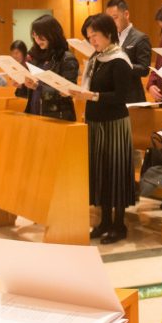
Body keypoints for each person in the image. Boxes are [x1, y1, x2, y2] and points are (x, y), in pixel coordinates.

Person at [69, 14, 135, 244]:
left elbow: (121, 96)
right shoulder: (96, 58)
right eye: (89, 37)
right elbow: (87, 88)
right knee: (101, 173)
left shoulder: (119, 59)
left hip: (115, 124)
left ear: (108, 33)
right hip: (96, 123)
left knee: (115, 174)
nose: (92, 41)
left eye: (94, 36)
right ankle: (104, 221)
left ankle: (119, 225)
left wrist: (93, 96)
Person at [19, 14, 78, 121]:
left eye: (41, 36)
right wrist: (22, 85)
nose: (37, 40)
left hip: (57, 117)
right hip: (34, 115)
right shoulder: (36, 56)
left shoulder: (66, 58)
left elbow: (69, 92)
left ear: (53, 34)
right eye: (35, 35)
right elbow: (28, 94)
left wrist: (38, 87)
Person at [105, 0, 151, 103]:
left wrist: (122, 64)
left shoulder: (140, 38)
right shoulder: (109, 38)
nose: (111, 23)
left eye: (115, 17)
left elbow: (144, 69)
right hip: (112, 94)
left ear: (126, 14)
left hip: (131, 96)